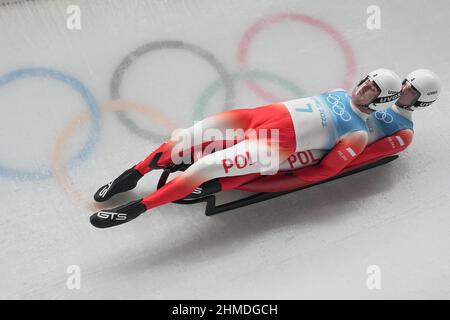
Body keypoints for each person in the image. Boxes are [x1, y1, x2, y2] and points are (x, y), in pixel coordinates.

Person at [90, 69, 402, 228]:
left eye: (372, 88)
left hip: (271, 146)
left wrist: (269, 180)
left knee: (202, 168)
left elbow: (323, 171)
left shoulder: (358, 134)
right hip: (257, 115)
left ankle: (136, 209)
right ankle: (132, 174)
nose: (364, 86)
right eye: (366, 80)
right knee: (187, 137)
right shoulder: (337, 92)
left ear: (382, 99)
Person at [216, 69, 441, 193]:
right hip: (320, 129)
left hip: (332, 148)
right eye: (405, 84)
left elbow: (360, 158)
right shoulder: (381, 92)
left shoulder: (404, 133)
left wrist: (325, 166)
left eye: (411, 92)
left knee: (268, 160)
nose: (403, 91)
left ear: (420, 102)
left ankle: (225, 182)